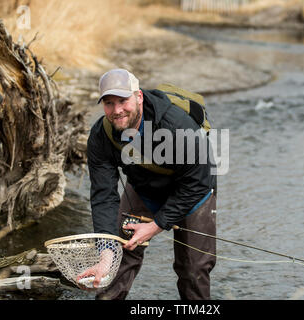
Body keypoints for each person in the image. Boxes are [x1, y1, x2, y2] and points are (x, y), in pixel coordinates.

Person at [80, 68, 217, 300]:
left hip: (193, 190)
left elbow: (199, 182)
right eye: (109, 103)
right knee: (117, 258)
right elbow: (104, 196)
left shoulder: (177, 125)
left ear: (139, 97)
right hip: (144, 187)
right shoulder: (101, 135)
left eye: (123, 101)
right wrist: (105, 250)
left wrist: (157, 224)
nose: (117, 110)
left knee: (192, 270)